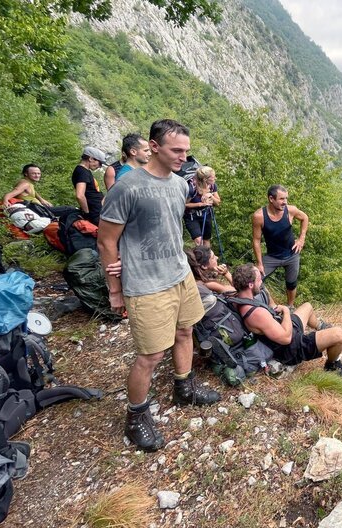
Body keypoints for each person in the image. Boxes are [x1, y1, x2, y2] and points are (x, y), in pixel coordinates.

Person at [98, 119, 220, 452]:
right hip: (145, 283)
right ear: (154, 147)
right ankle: (136, 415)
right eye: (176, 150)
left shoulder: (180, 186)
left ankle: (185, 388)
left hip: (179, 274)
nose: (184, 157)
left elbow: (165, 227)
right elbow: (106, 240)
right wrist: (114, 289)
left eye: (186, 150)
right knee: (150, 355)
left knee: (185, 333)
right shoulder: (127, 187)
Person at [231, 263, 342, 377]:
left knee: (307, 307)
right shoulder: (256, 314)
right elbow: (286, 339)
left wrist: (225, 273)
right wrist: (286, 311)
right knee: (339, 335)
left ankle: (323, 328)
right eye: (259, 280)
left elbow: (272, 306)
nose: (261, 281)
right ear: (250, 285)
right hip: (291, 348)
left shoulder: (239, 297)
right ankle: (332, 365)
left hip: (281, 326)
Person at [252, 185, 309, 306]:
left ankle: (290, 307)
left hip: (292, 254)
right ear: (271, 199)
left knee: (291, 283)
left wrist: (301, 239)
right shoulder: (259, 216)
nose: (285, 202)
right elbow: (256, 240)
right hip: (272, 257)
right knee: (254, 280)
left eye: (286, 198)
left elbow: (305, 218)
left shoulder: (290, 210)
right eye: (282, 199)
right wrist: (259, 263)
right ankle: (264, 305)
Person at [184, 166, 221, 247]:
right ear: (205, 179)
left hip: (206, 215)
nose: (215, 178)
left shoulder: (212, 186)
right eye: (213, 176)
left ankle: (208, 259)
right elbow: (184, 204)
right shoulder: (191, 188)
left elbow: (218, 202)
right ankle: (200, 257)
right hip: (191, 216)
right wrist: (201, 204)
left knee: (206, 240)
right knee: (198, 241)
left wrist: (210, 195)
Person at [72, 146, 107, 225]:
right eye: (100, 163)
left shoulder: (84, 171)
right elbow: (80, 195)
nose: (100, 166)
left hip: (97, 211)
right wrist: (87, 214)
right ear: (91, 158)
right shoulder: (82, 172)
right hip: (94, 214)